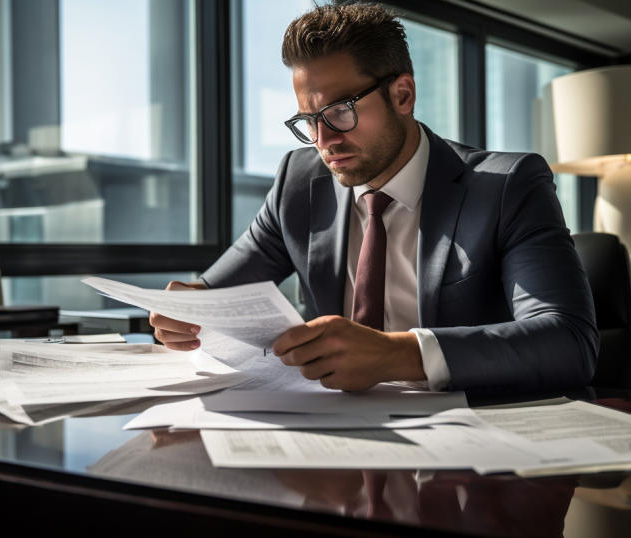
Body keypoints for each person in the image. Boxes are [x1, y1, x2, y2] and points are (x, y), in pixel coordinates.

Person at [150, 3, 598, 392]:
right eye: (309, 120)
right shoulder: (298, 181)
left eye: (339, 111)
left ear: (402, 94)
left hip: (464, 454)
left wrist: (396, 355)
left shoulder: (505, 187)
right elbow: (217, 292)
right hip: (328, 440)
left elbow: (567, 341)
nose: (323, 140)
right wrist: (188, 308)